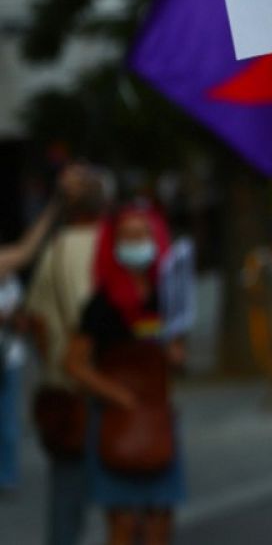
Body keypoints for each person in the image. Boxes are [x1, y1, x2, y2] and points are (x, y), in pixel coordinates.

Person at [63, 204, 186, 545]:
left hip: (157, 418)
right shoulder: (101, 304)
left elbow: (176, 352)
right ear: (112, 244)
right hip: (117, 422)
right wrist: (117, 395)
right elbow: (73, 364)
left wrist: (175, 356)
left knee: (161, 515)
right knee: (123, 521)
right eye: (127, 236)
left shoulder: (166, 296)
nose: (136, 242)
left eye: (142, 234)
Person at [26, 163, 109, 545]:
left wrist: (55, 366)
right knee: (125, 497)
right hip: (114, 385)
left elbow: (38, 324)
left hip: (68, 391)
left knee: (65, 503)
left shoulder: (55, 253)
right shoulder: (118, 244)